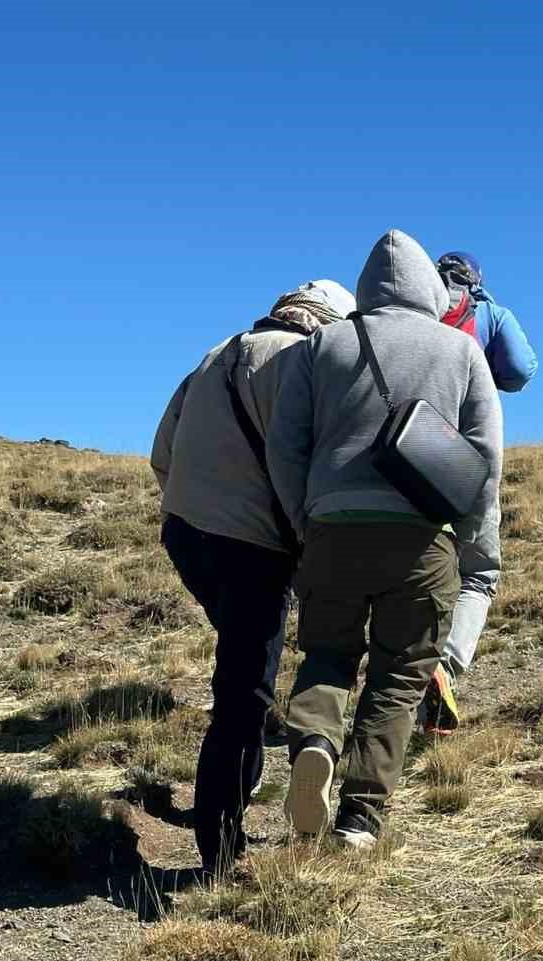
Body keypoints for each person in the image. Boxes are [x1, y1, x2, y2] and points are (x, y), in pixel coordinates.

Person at [267, 230, 503, 849]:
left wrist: (306, 519)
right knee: (400, 675)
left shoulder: (321, 345)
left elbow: (284, 447)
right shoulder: (461, 350)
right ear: (429, 287)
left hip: (331, 529)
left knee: (327, 654)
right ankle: (360, 819)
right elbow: (485, 459)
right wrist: (478, 544)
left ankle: (316, 740)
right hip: (423, 537)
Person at [150, 280, 355, 874]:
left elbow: (161, 453)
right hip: (255, 550)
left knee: (243, 662)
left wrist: (197, 510)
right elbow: (311, 468)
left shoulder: (215, 352)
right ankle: (219, 844)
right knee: (243, 694)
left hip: (186, 534)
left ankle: (229, 801)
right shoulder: (304, 364)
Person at [418, 251, 538, 733]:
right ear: (476, 280)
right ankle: (444, 666)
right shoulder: (488, 313)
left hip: (404, 455)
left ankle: (392, 676)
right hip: (465, 460)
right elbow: (522, 370)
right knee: (479, 574)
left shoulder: (413, 308)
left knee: (406, 567)